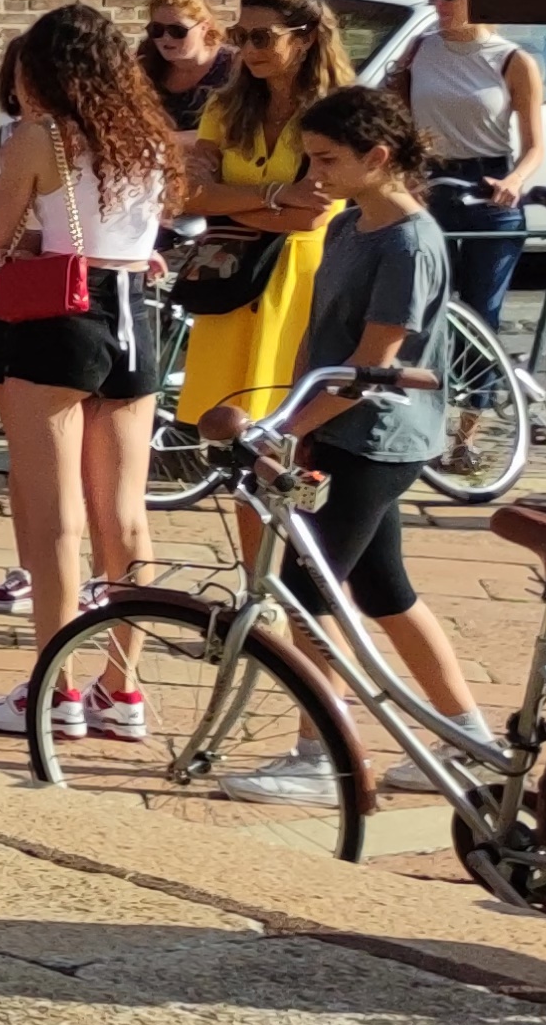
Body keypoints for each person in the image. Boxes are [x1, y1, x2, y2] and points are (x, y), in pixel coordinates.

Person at [207, 86, 499, 806]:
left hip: (373, 438)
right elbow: (322, 344)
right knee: (382, 588)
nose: (315, 176)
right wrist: (293, 415)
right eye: (310, 159)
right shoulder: (347, 225)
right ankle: (470, 738)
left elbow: (372, 365)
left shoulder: (408, 242)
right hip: (339, 430)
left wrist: (284, 430)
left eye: (328, 160)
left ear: (379, 157)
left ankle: (321, 756)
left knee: (309, 597)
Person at [0, 4, 175, 742]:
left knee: (55, 519)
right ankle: (125, 689)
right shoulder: (146, 136)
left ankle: (56, 686)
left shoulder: (40, 136)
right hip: (134, 312)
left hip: (59, 316)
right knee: (124, 512)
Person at [173, 0, 358, 440]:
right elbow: (192, 197)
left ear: (307, 36)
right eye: (240, 35)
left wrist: (227, 201)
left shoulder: (337, 110)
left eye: (263, 37)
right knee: (228, 432)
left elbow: (311, 216)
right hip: (233, 276)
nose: (248, 48)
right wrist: (277, 193)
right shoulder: (225, 104)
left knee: (287, 427)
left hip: (304, 282)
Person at [401, 0, 546, 349]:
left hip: (489, 184)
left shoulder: (513, 60)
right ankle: (435, 400)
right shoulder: (420, 50)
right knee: (428, 303)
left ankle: (475, 408)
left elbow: (535, 145)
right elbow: (394, 118)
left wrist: (514, 180)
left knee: (482, 310)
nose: (439, 3)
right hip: (430, 182)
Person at [139, 0, 230, 134]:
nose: (166, 38)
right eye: (157, 29)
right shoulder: (146, 63)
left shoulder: (234, 67)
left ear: (204, 27)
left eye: (177, 30)